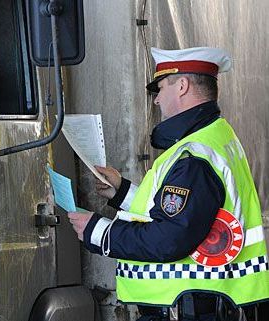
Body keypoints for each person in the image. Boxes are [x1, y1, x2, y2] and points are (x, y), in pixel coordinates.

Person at [68, 47, 269, 320]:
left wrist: (99, 232)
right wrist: (122, 192)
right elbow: (183, 210)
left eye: (161, 88)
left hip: (190, 308)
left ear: (182, 86)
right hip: (206, 304)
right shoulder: (213, 137)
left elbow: (170, 239)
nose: (157, 100)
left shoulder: (194, 155)